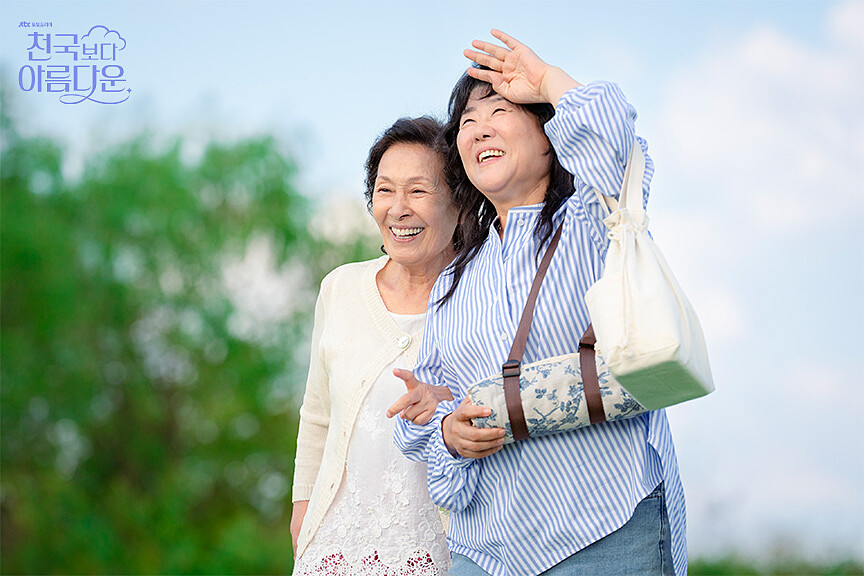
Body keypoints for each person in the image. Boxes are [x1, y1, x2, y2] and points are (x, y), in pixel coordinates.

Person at [392, 31, 686, 576]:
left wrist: (546, 79)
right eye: (467, 122)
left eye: (500, 111)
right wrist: (447, 429)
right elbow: (425, 418)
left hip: (605, 528)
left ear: (551, 138)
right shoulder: (456, 277)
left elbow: (611, 128)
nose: (479, 129)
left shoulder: (591, 221)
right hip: (485, 549)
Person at [291, 117, 460, 575]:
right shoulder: (340, 288)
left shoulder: (482, 296)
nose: (398, 209)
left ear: (460, 201)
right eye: (385, 190)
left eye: (418, 191)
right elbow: (317, 415)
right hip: (333, 551)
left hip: (436, 552)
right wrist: (302, 512)